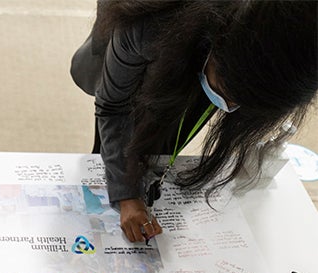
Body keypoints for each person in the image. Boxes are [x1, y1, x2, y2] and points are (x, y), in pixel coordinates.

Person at [71, 1, 317, 243]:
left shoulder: (291, 39)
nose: (229, 109)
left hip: (213, 50)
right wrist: (126, 194)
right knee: (121, 143)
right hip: (162, 34)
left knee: (165, 136)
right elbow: (113, 106)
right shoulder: (148, 27)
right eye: (229, 94)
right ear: (215, 46)